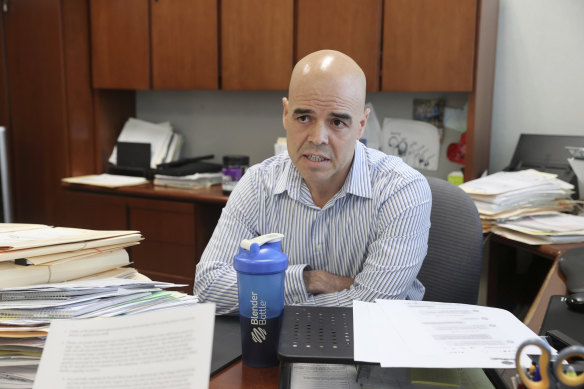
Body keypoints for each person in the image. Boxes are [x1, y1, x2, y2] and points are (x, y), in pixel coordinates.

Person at [194, 50, 432, 315]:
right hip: (273, 348)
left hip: (372, 351)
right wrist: (312, 280)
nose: (318, 137)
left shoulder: (402, 189)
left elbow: (375, 309)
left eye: (338, 122)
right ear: (286, 114)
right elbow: (208, 287)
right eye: (304, 118)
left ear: (361, 125)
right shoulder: (258, 183)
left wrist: (263, 292)